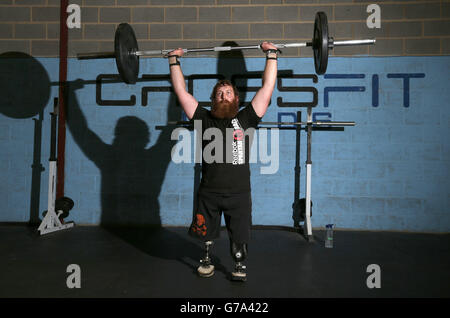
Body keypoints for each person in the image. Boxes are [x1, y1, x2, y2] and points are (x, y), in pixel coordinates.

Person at [168, 42, 279, 281]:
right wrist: (174, 60)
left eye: (228, 92)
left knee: (239, 237)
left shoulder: (246, 118)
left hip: (239, 193)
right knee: (204, 234)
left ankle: (238, 262)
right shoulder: (203, 118)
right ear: (213, 99)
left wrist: (271, 54)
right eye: (219, 93)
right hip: (209, 192)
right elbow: (181, 92)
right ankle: (206, 257)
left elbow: (267, 88)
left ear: (236, 99)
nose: (223, 95)